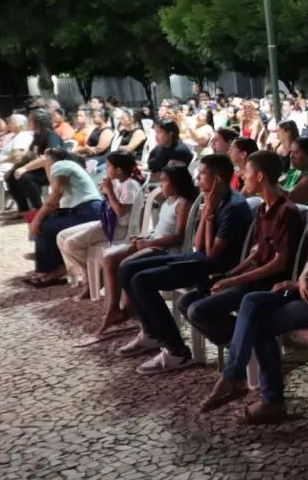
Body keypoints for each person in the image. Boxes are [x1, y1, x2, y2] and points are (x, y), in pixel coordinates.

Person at [199, 164, 308, 422]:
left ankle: (269, 398)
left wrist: (303, 282)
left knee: (261, 324)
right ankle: (236, 376)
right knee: (252, 301)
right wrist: (303, 277)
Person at [114, 154, 254, 373]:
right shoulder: (213, 198)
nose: (197, 178)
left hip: (215, 268)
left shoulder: (233, 207)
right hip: (198, 258)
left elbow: (211, 254)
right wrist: (207, 212)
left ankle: (176, 351)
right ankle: (152, 333)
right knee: (127, 268)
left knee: (141, 281)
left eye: (203, 174)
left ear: (217, 178)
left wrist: (209, 216)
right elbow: (198, 245)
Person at [178, 150, 304, 383]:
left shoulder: (286, 211)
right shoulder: (263, 209)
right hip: (250, 278)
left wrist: (234, 280)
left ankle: (248, 346)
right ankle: (249, 342)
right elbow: (256, 253)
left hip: (268, 284)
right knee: (185, 302)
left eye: (246, 172)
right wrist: (228, 275)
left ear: (260, 176)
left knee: (198, 310)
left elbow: (279, 263)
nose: (242, 176)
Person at [92, 163, 197, 341]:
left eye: (165, 181)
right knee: (110, 260)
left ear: (177, 183)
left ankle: (131, 310)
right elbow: (161, 229)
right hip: (154, 243)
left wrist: (149, 243)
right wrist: (145, 238)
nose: (161, 185)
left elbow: (178, 237)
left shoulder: (183, 204)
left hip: (166, 250)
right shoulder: (167, 202)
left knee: (126, 265)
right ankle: (114, 308)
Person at [57, 152, 143, 298]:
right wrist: (106, 191)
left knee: (71, 244)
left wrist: (109, 191)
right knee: (61, 236)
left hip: (120, 229)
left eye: (109, 166)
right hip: (108, 222)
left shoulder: (130, 186)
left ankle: (93, 278)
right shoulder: (117, 182)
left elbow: (120, 211)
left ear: (119, 170)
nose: (106, 169)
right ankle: (90, 274)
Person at [24, 149, 104, 287]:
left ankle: (48, 272)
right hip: (87, 210)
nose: (40, 159)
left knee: (44, 227)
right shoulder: (64, 166)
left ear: (50, 158)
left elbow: (56, 196)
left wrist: (37, 219)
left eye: (44, 157)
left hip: (87, 211)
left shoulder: (60, 165)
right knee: (49, 223)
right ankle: (54, 268)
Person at [6, 109, 63, 213]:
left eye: (31, 120)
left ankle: (39, 209)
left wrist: (24, 168)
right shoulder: (37, 136)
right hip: (41, 169)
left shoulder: (51, 136)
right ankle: (23, 209)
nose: (28, 123)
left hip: (52, 171)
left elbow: (48, 157)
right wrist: (18, 166)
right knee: (11, 175)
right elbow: (30, 154)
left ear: (38, 122)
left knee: (25, 177)